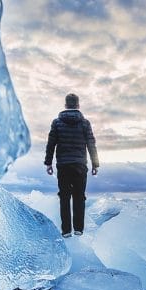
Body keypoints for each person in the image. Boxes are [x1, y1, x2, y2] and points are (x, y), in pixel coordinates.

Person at [44, 93, 100, 237]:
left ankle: (66, 231)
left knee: (64, 197)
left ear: (65, 105)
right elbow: (91, 144)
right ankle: (78, 229)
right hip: (80, 165)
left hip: (63, 165)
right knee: (79, 196)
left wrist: (48, 163)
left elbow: (51, 144)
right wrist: (95, 164)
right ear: (78, 105)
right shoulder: (85, 123)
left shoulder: (57, 122)